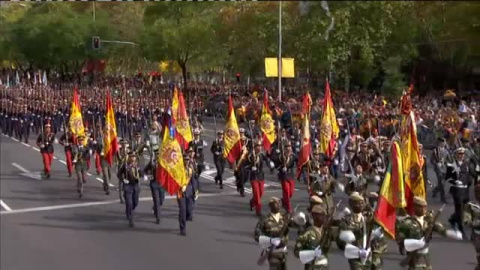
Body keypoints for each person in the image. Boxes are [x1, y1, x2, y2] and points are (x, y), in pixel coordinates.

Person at [396, 196, 462, 269]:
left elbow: (439, 228)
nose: (424, 209)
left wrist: (450, 233)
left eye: (425, 207)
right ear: (415, 207)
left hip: (426, 258)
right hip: (414, 258)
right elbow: (400, 240)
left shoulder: (428, 220)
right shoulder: (407, 223)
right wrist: (415, 243)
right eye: (421, 207)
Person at [337, 192, 386, 270]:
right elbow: (341, 240)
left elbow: (380, 236)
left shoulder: (368, 218)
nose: (360, 205)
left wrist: (376, 252)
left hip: (369, 255)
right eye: (357, 203)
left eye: (362, 203)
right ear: (351, 204)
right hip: (355, 255)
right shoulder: (346, 220)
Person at [254, 197, 290, 270]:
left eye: (278, 203)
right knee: (274, 265)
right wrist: (269, 240)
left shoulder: (285, 218)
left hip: (283, 249)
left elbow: (296, 224)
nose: (277, 205)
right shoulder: (264, 219)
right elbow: (257, 234)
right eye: (274, 203)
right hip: (271, 250)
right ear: (270, 206)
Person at [294, 204, 332, 270]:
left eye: (324, 216)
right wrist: (311, 254)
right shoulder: (307, 232)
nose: (324, 218)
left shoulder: (326, 231)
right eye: (322, 215)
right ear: (314, 216)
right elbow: (296, 251)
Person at [447, 147, 474, 237]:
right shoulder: (451, 165)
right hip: (457, 189)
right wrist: (455, 181)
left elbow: (470, 175)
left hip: (465, 190)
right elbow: (447, 178)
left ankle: (453, 219)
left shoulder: (466, 164)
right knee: (459, 210)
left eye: (462, 154)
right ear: (456, 155)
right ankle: (461, 229)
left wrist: (470, 181)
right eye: (459, 154)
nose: (461, 156)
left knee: (466, 209)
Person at [247, 140, 274, 216]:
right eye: (258, 146)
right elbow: (245, 165)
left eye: (260, 146)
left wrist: (270, 164)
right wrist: (251, 167)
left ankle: (252, 202)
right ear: (254, 147)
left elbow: (267, 160)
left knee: (261, 193)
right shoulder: (250, 155)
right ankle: (258, 210)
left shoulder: (262, 155)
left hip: (261, 176)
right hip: (253, 177)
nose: (260, 148)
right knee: (256, 194)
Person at [117, 152, 142, 227]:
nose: (133, 158)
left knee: (135, 202)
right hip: (128, 186)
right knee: (129, 203)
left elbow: (141, 173)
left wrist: (144, 175)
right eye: (131, 156)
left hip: (136, 186)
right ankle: (131, 219)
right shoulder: (125, 165)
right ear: (129, 157)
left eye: (134, 157)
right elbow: (119, 174)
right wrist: (123, 180)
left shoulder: (137, 165)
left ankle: (129, 210)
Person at [178, 147, 197, 236]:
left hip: (189, 191)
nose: (186, 161)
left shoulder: (190, 169)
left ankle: (183, 219)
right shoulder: (179, 170)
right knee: (182, 210)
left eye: (188, 159)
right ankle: (183, 228)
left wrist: (195, 190)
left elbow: (193, 180)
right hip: (180, 192)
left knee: (189, 211)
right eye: (185, 159)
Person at [275, 141, 297, 213]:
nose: (288, 148)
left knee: (291, 193)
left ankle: (283, 200)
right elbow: (276, 165)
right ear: (284, 148)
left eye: (289, 146)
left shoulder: (293, 155)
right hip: (284, 176)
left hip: (291, 176)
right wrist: (282, 168)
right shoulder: (281, 156)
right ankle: (288, 208)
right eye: (287, 147)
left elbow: (299, 161)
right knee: (286, 192)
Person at [143, 149, 164, 224]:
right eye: (157, 154)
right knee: (156, 200)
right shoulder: (152, 163)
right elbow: (144, 171)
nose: (158, 155)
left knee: (161, 199)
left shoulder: (163, 163)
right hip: (154, 183)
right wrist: (148, 176)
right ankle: (158, 217)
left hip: (161, 183)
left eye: (159, 154)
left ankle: (155, 208)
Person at [464, 184, 480, 270]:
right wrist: (477, 223)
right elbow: (467, 221)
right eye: (478, 192)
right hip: (477, 236)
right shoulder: (470, 205)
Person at [431, 138, 451, 203]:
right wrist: (436, 163)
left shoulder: (446, 151)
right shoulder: (435, 151)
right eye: (442, 143)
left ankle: (435, 190)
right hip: (438, 169)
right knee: (441, 183)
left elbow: (449, 160)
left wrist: (448, 164)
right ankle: (443, 198)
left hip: (444, 169)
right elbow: (432, 160)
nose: (443, 144)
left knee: (442, 183)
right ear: (439, 143)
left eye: (444, 142)